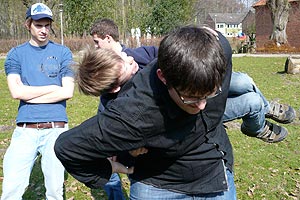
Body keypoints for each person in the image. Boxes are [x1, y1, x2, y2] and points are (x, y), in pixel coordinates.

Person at [55, 25, 237, 199]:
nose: (202, 105)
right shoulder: (133, 113)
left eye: (210, 94)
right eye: (191, 98)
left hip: (214, 177)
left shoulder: (220, 52)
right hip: (157, 186)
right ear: (163, 78)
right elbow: (68, 148)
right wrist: (108, 168)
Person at [88, 18, 295, 143]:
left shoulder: (136, 54)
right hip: (191, 103)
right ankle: (257, 127)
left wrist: (197, 39)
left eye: (97, 42)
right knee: (252, 101)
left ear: (108, 39)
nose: (129, 59)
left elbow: (173, 52)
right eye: (124, 63)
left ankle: (267, 108)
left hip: (199, 79)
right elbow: (109, 123)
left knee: (244, 81)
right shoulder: (120, 96)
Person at [1, 3, 74, 200]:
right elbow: (16, 92)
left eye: (47, 25)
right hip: (25, 130)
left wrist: (29, 93)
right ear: (28, 25)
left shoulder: (63, 53)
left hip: (56, 129)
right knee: (11, 189)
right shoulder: (16, 55)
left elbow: (67, 91)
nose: (43, 30)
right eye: (38, 25)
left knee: (55, 191)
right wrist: (52, 88)